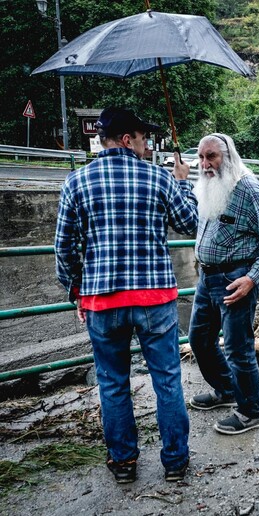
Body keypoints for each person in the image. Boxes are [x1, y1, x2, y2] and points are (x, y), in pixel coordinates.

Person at [54, 107, 198, 484]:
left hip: (103, 300)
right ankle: (176, 463)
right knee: (167, 379)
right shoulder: (158, 179)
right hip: (155, 300)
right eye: (144, 138)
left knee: (113, 382)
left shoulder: (77, 181)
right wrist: (182, 181)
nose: (148, 145)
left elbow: (64, 248)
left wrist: (77, 290)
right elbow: (191, 223)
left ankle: (123, 463)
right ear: (125, 139)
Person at [187, 133, 259, 435]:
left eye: (212, 157)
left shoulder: (247, 188)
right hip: (208, 277)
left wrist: (252, 277)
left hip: (235, 279)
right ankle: (227, 389)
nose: (205, 164)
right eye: (202, 158)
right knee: (199, 340)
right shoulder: (209, 188)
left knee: (237, 348)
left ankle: (251, 411)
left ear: (227, 157)